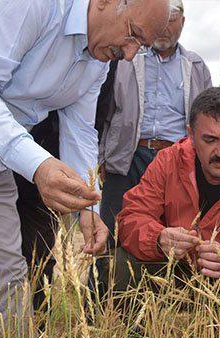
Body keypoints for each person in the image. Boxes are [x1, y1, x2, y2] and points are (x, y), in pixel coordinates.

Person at [0, 0, 170, 338]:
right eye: (133, 34)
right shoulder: (36, 4)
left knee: (9, 278)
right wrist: (38, 165)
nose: (131, 54)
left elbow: (80, 128)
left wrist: (88, 206)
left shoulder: (99, 58)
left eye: (143, 45)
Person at [112, 87, 220, 321]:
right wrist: (158, 239)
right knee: (121, 263)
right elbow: (130, 219)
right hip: (171, 268)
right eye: (210, 140)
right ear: (191, 134)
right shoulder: (167, 162)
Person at [89, 0, 212, 301]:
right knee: (113, 230)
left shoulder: (196, 65)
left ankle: (157, 304)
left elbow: (206, 114)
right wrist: (103, 155)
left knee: (166, 235)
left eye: (172, 19)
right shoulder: (125, 56)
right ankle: (100, 306)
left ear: (183, 21)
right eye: (161, 20)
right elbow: (105, 107)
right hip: (128, 156)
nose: (164, 27)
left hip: (176, 160)